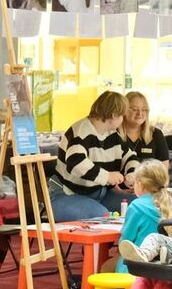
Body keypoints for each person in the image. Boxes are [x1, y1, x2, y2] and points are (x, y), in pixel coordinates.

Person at [49, 90, 136, 219]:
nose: (123, 120)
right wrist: (107, 177)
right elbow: (76, 164)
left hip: (99, 194)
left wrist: (132, 174)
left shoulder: (112, 134)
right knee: (101, 216)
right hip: (66, 195)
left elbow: (129, 157)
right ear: (113, 115)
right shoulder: (80, 131)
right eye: (122, 115)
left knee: (138, 206)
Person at [115, 160, 172, 275]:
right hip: (163, 267)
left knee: (105, 266)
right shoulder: (170, 204)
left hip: (137, 266)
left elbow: (125, 241)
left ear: (140, 185)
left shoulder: (136, 206)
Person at [119, 91, 169, 165]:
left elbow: (163, 168)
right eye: (135, 109)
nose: (140, 113)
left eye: (144, 110)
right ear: (124, 110)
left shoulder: (156, 134)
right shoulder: (113, 134)